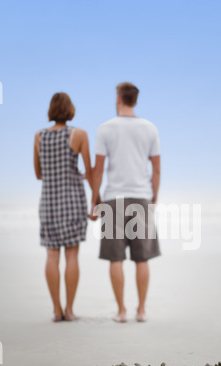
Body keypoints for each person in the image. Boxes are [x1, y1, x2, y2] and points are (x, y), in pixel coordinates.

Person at [91, 82, 161, 323]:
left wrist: (95, 199)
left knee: (115, 258)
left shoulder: (105, 128)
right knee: (142, 258)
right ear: (136, 100)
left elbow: (98, 170)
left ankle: (121, 311)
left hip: (113, 199)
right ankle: (141, 310)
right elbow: (157, 169)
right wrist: (154, 199)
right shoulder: (150, 128)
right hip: (141, 197)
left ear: (119, 98)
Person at [34, 92, 92, 322]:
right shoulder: (78, 134)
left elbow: (38, 173)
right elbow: (90, 171)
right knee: (72, 255)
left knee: (51, 254)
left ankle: (56, 310)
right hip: (72, 202)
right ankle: (69, 309)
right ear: (70, 110)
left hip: (48, 202)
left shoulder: (39, 136)